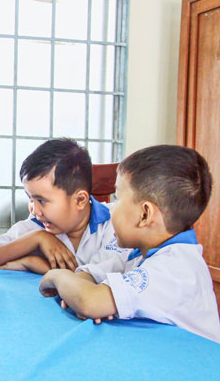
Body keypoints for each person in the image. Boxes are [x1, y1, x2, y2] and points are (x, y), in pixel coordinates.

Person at [38, 145, 220, 342]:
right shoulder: (140, 252)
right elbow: (91, 275)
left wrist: (56, 276)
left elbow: (89, 301)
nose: (111, 209)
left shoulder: (175, 269)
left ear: (144, 215)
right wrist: (80, 292)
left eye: (117, 198)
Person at [0, 138, 127, 274]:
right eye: (30, 198)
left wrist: (35, 264)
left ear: (80, 200)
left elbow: (96, 279)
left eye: (42, 201)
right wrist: (36, 239)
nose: (34, 210)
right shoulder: (33, 228)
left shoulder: (115, 223)